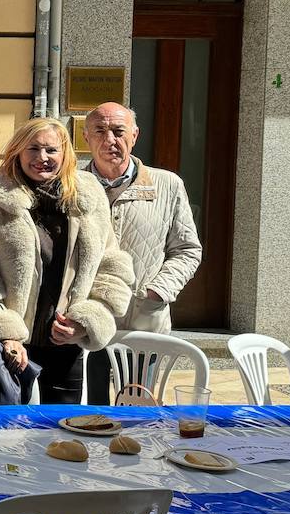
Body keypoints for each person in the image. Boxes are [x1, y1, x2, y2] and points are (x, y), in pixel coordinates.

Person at [0, 117, 135, 404]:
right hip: (8, 349)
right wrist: (3, 331)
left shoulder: (89, 194)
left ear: (65, 153)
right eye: (32, 149)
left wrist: (85, 322)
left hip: (65, 345)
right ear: (17, 151)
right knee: (9, 437)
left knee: (61, 435)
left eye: (51, 150)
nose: (42, 158)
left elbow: (110, 266)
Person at [81, 102, 202, 404]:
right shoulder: (73, 185)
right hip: (86, 320)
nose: (110, 139)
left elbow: (187, 250)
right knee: (89, 410)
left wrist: (157, 291)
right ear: (86, 138)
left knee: (138, 407)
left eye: (119, 131)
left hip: (143, 320)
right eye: (100, 131)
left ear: (134, 136)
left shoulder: (167, 185)